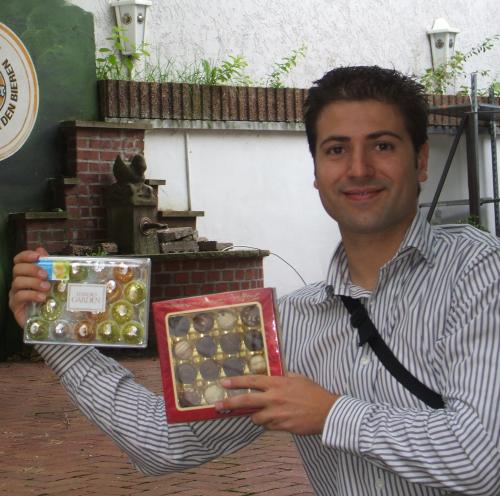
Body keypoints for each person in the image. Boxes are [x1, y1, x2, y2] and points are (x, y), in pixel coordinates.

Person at [9, 66, 500, 495]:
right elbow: (165, 443)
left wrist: (330, 414)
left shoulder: (477, 272)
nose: (358, 168)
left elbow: (484, 458)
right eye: (336, 149)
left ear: (420, 161)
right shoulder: (289, 324)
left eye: (382, 145)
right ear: (316, 171)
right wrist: (54, 334)